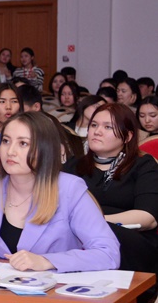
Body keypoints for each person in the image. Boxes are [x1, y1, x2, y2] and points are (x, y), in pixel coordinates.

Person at [0, 111, 120, 272]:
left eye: (23, 143)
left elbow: (108, 253)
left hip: (54, 291)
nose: (10, 151)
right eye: (6, 141)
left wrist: (46, 261)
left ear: (45, 150)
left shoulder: (69, 189)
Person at [62, 103, 158, 274]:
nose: (97, 131)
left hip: (129, 240)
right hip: (77, 238)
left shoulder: (143, 165)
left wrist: (95, 223)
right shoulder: (73, 166)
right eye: (94, 125)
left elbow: (147, 217)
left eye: (108, 127)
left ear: (127, 136)